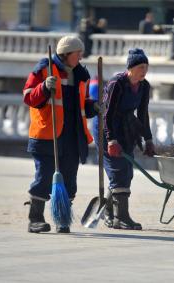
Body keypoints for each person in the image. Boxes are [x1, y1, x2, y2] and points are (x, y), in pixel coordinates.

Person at [22, 36, 99, 234]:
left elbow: (84, 105)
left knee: (69, 179)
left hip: (74, 136)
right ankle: (35, 218)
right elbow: (29, 97)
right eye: (77, 53)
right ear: (66, 54)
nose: (81, 56)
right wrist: (44, 87)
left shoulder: (82, 74)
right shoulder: (44, 69)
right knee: (45, 176)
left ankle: (62, 217)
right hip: (48, 134)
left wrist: (95, 106)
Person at [94, 48, 156, 230]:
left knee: (126, 171)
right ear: (130, 68)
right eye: (140, 67)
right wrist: (111, 139)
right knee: (117, 169)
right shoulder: (117, 83)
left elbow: (143, 114)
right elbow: (107, 114)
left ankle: (110, 214)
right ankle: (121, 217)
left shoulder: (144, 86)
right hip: (107, 128)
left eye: (146, 67)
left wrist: (149, 139)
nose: (144, 70)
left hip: (127, 128)